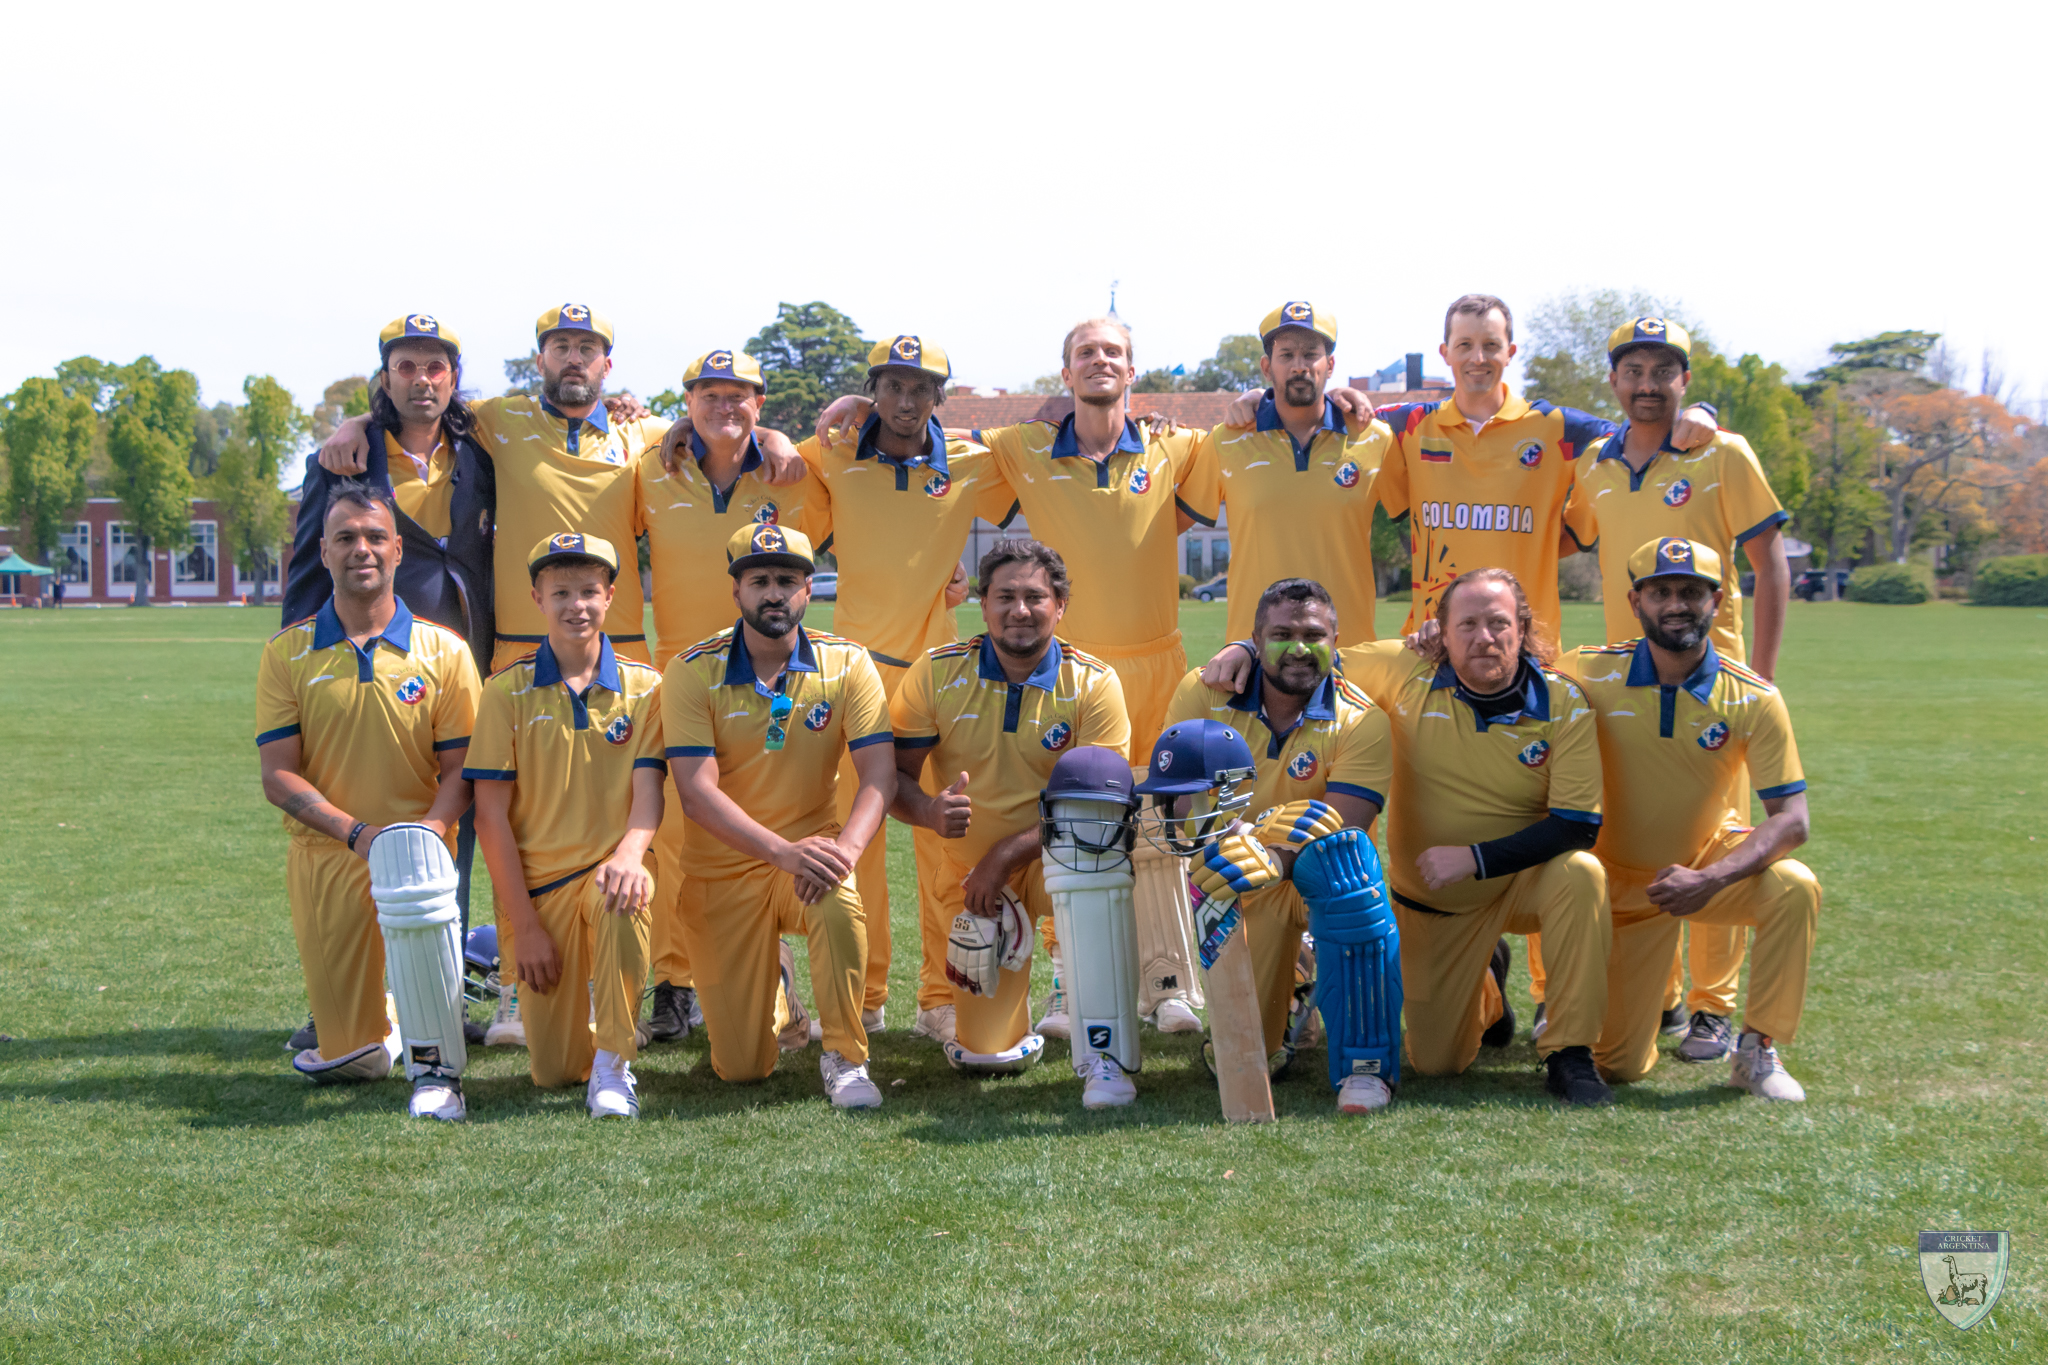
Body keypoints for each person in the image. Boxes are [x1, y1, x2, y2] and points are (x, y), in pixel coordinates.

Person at [1199, 566, 1614, 1104]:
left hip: (1524, 878)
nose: (1484, 638)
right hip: (1435, 900)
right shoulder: (1405, 669)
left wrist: (1476, 859)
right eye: (1466, 625)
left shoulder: (1563, 701)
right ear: (1440, 632)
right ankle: (1486, 988)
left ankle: (1571, 1054)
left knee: (1582, 875)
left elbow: (1578, 824)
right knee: (1437, 1062)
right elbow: (1308, 651)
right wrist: (1245, 650)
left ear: (1522, 628)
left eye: (1498, 623)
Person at [1557, 318, 1796, 1059]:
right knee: (1632, 830)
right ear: (1615, 382)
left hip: (1711, 677)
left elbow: (1769, 563)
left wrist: (1764, 670)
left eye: (1665, 371)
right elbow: (1560, 535)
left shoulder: (1722, 452)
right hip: (1625, 675)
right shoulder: (1596, 463)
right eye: (1634, 371)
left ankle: (1712, 1005)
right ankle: (1653, 992)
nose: (1649, 384)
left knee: (1711, 837)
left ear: (1685, 381)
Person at [787, 336, 1016, 1046]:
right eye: (890, 387)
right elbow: (771, 453)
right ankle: (869, 991)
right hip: (855, 671)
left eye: (922, 388)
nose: (907, 401)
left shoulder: (977, 461)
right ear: (873, 391)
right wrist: (832, 411)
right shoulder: (835, 450)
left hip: (941, 674)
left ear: (941, 397)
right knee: (856, 834)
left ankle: (939, 995)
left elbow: (1050, 442)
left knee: (945, 836)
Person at [281, 313, 497, 1055]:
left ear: (453, 377)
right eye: (407, 365)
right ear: (386, 376)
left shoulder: (480, 451)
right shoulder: (345, 456)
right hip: (358, 663)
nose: (422, 378)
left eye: (435, 366)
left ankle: (437, 993)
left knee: (450, 827)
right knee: (348, 832)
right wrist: (305, 663)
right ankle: (338, 1002)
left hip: (453, 661)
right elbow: (311, 567)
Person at [1563, 538, 1818, 1099]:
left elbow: (1792, 820)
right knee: (1619, 1067)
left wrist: (1711, 879)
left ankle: (1757, 1050)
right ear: (1635, 603)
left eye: (1691, 592)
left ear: (1718, 601)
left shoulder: (1754, 697)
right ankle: (1648, 1003)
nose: (1677, 604)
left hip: (1700, 868)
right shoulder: (1585, 670)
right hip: (1611, 885)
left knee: (1794, 886)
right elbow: (1505, 670)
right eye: (1661, 592)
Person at [256, 480, 479, 1115]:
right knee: (355, 1060)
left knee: (435, 1055)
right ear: (322, 553)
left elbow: (465, 766)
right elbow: (279, 777)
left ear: (399, 550)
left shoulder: (445, 650)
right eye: (346, 538)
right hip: (331, 855)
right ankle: (380, 1015)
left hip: (419, 857)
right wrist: (359, 835)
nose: (362, 550)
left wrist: (428, 833)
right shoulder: (287, 653)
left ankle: (434, 1027)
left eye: (375, 537)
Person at [662, 523, 896, 1109]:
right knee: (741, 1070)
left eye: (787, 581)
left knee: (838, 894)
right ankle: (780, 990)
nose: (773, 593)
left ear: (809, 589)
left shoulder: (847, 664)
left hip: (808, 861)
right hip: (722, 872)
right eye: (759, 580)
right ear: (735, 591)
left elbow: (879, 776)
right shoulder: (692, 671)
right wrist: (780, 852)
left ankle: (845, 1056)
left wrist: (844, 853)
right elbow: (695, 792)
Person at [888, 539, 1131, 1101]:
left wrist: (1004, 855)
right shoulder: (936, 672)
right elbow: (892, 779)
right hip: (975, 880)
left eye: (1034, 597)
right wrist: (927, 810)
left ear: (1061, 604)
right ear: (982, 603)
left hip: (1066, 856)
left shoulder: (1094, 682)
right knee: (987, 1056)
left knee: (1100, 875)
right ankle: (1002, 1017)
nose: (1019, 610)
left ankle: (1092, 1020)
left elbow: (1101, 807)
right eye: (1005, 597)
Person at [633, 348, 822, 1047]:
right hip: (676, 673)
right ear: (686, 404)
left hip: (771, 672)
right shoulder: (651, 465)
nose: (723, 407)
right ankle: (676, 982)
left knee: (767, 824)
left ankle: (787, 982)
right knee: (676, 839)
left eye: (738, 395)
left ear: (760, 404)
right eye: (708, 394)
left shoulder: (791, 470)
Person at [1352, 294, 1721, 649]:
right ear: (1444, 352)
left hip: (1530, 650)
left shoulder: (1558, 428)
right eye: (1464, 345)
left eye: (1491, 345)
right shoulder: (1408, 426)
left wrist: (1700, 410)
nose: (1477, 358)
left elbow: (1643, 429)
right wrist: (1341, 396)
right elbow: (1343, 417)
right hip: (1433, 641)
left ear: (1511, 352)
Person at [1156, 577, 1396, 1113]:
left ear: (1336, 642)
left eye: (1314, 634)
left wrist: (1268, 852)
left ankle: (1364, 1066)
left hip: (1318, 879)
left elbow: (1347, 828)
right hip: (1235, 878)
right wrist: (1228, 845)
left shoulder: (1363, 720)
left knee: (1349, 873)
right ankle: (1292, 987)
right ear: (1254, 642)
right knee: (1242, 1056)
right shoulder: (1203, 692)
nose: (1298, 647)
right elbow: (1177, 805)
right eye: (1281, 633)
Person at [465, 533, 664, 1117]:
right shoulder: (505, 691)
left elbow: (649, 794)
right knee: (552, 1072)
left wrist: (630, 854)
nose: (576, 605)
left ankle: (614, 1064)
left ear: (610, 598)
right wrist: (523, 926)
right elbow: (490, 815)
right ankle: (587, 1039)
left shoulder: (647, 688)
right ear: (536, 598)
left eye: (588, 592)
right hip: (540, 892)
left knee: (627, 897)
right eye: (561, 593)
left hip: (612, 873)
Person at [1181, 303, 1395, 648]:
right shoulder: (1226, 439)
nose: (1299, 366)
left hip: (1348, 653)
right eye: (1287, 355)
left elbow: (1425, 521)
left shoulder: (1375, 439)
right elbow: (1166, 527)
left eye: (1311, 354)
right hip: (1254, 655)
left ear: (1331, 365)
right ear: (1267, 367)